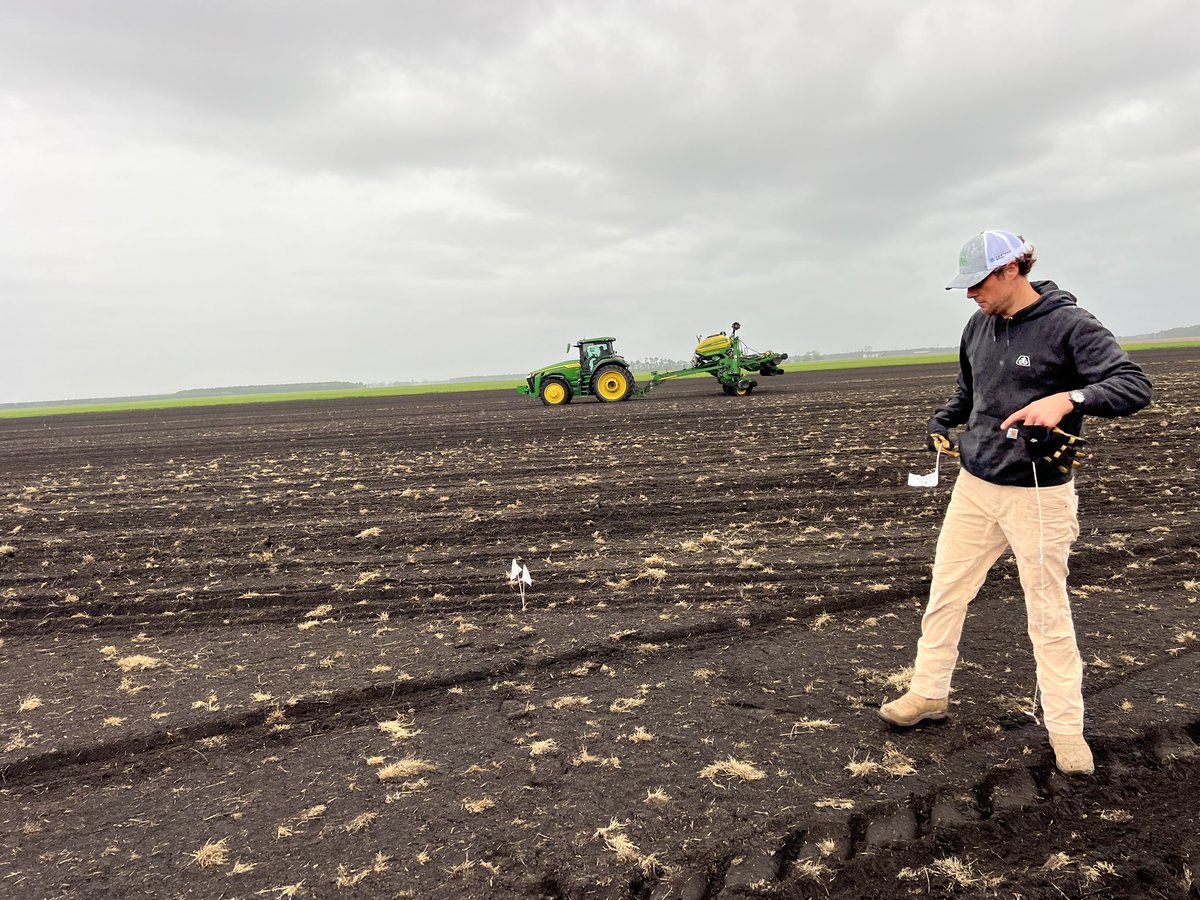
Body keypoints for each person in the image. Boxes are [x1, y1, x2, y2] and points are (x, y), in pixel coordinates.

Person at [879, 230, 1152, 776]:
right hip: (975, 486)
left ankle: (1066, 731)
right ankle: (929, 694)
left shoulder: (1070, 325)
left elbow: (1133, 385)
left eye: (977, 283)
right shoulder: (977, 325)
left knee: (1047, 614)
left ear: (1010, 271)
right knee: (946, 593)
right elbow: (971, 391)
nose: (969, 294)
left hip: (1039, 496)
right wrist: (946, 419)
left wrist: (1069, 398)